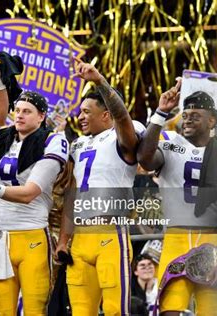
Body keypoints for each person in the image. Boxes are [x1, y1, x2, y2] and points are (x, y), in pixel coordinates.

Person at [0, 58, 69, 314]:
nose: (19, 115)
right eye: (17, 110)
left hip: (32, 233)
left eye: (27, 111)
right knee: (1, 311)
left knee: (34, 310)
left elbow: (30, 192)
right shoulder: (1, 137)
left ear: (42, 116)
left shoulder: (53, 141)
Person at [137, 82, 217, 316]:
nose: (187, 119)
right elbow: (145, 159)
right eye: (185, 115)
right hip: (176, 237)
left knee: (210, 311)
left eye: (195, 115)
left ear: (212, 121)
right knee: (170, 310)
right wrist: (160, 114)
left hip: (213, 239)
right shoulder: (169, 141)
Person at [55, 57, 145, 316]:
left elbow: (124, 119)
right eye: (80, 111)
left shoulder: (120, 135)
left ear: (106, 115)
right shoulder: (80, 145)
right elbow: (72, 195)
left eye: (87, 112)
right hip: (80, 238)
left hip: (110, 232)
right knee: (81, 311)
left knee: (117, 310)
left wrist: (100, 82)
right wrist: (63, 240)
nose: (80, 117)